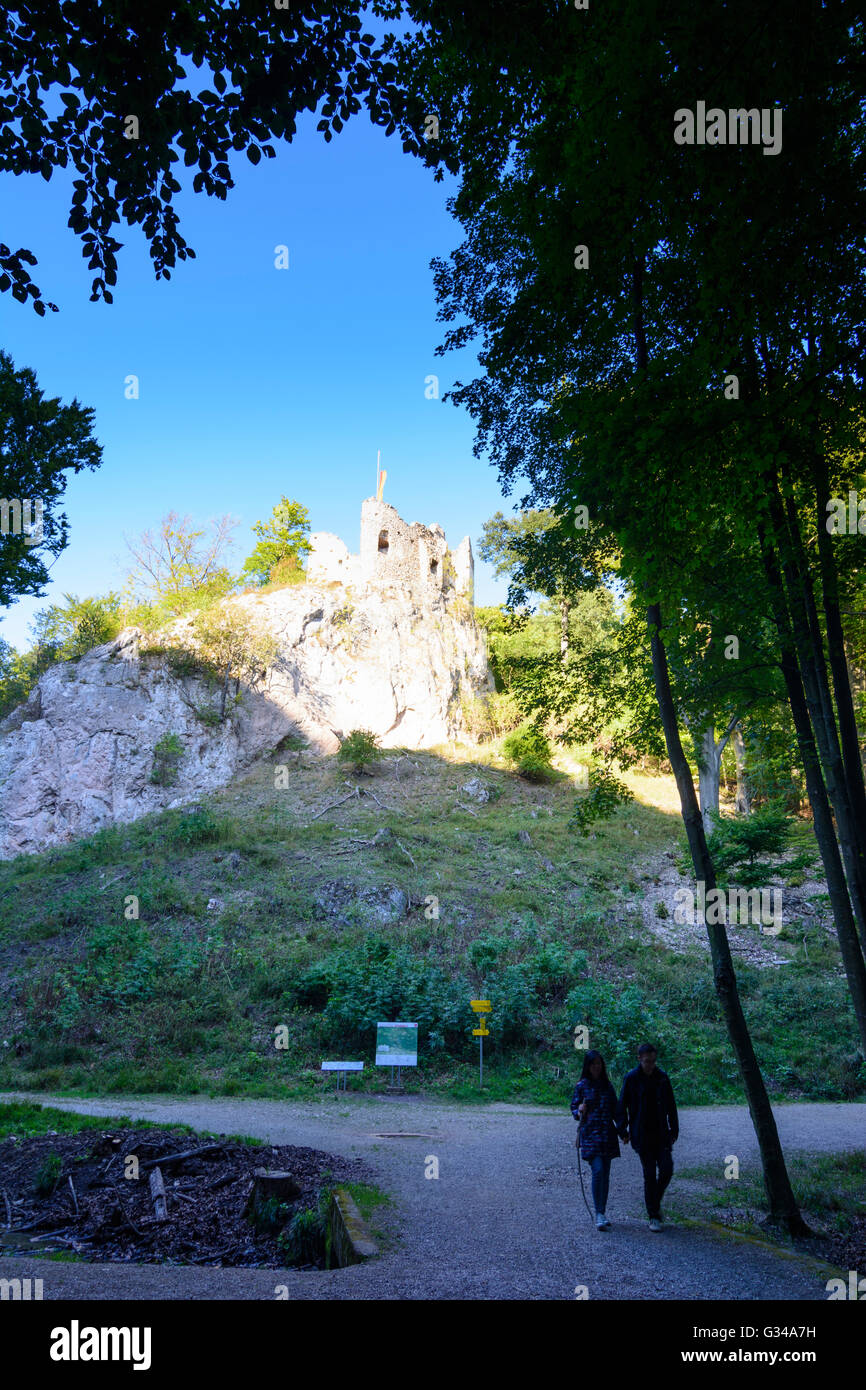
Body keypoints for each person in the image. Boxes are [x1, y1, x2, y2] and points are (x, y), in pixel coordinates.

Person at [617, 1043, 679, 1231]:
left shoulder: (662, 1078)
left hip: (661, 1133)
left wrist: (674, 1129)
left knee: (667, 1169)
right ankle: (653, 1215)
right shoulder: (632, 1078)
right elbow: (622, 1106)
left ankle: (654, 1202)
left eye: (653, 1061)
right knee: (649, 1173)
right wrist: (623, 1131)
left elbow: (671, 1105)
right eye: (647, 1062)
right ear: (640, 1059)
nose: (650, 1065)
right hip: (641, 1134)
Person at [570, 1050, 626, 1230]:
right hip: (590, 1134)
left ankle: (602, 1211)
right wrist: (579, 1110)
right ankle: (599, 1213)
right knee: (598, 1170)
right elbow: (574, 1109)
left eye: (599, 1063)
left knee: (606, 1174)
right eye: (593, 1063)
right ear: (587, 1066)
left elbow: (616, 1110)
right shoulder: (582, 1086)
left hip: (607, 1134)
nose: (596, 1066)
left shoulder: (607, 1086)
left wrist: (622, 1131)